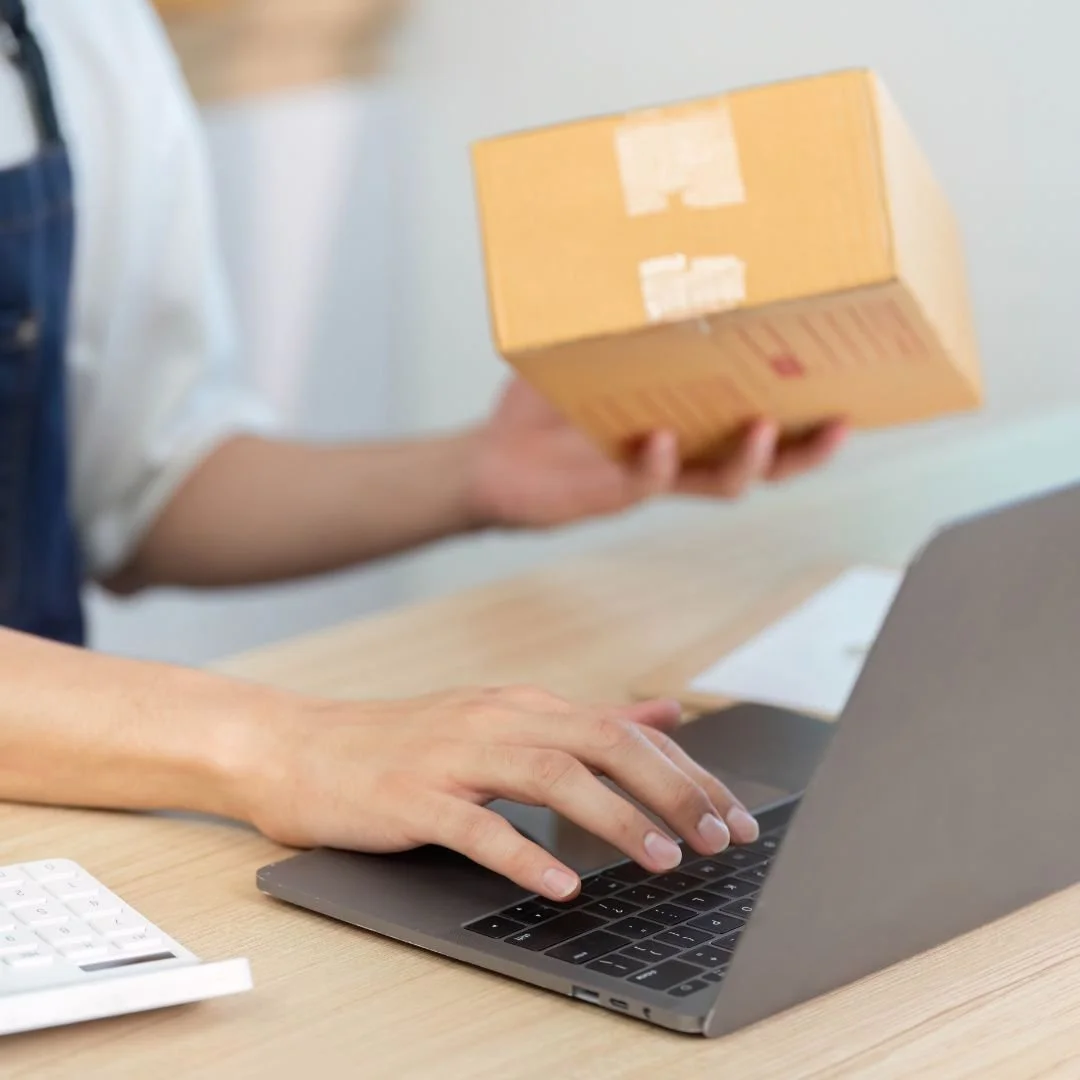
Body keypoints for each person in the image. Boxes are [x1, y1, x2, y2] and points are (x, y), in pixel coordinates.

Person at [0, 0, 846, 902]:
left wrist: (482, 471)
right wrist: (282, 743)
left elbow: (138, 487)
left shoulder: (77, 28)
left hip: (65, 848)